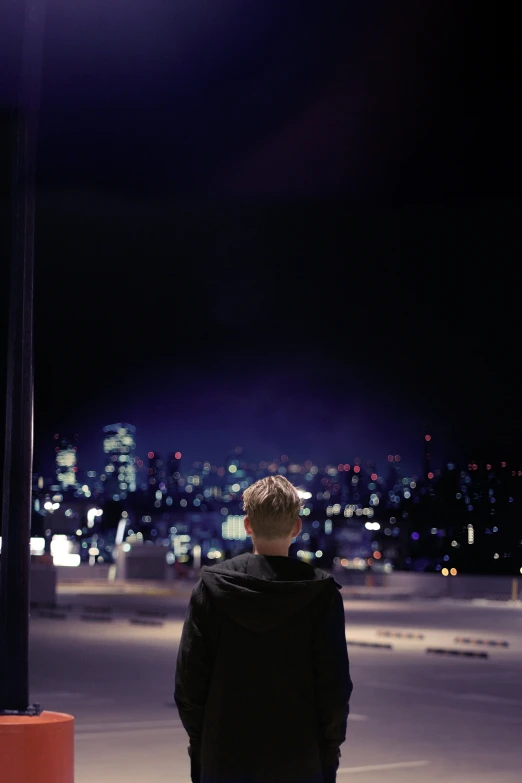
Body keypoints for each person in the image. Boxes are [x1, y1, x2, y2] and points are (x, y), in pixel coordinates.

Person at [174, 475, 353, 783]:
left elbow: (189, 684)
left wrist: (201, 747)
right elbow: (334, 688)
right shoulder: (320, 595)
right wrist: (327, 755)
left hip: (224, 757)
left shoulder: (212, 588)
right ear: (296, 528)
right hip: (300, 758)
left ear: (247, 525)